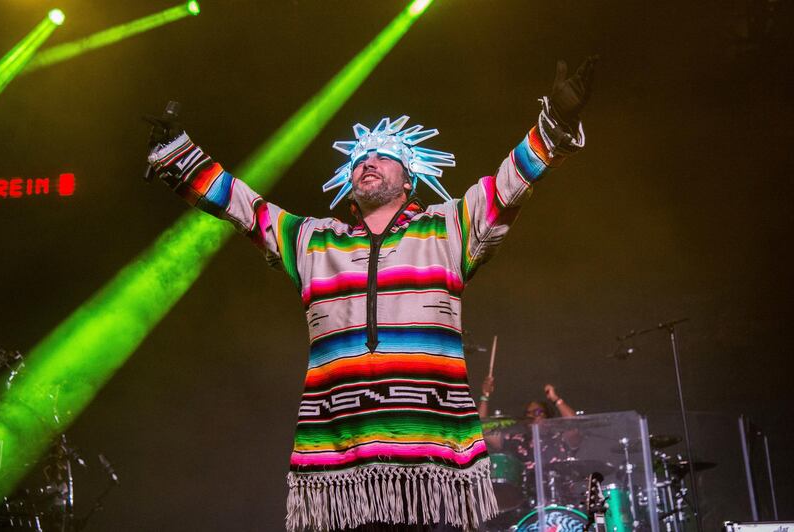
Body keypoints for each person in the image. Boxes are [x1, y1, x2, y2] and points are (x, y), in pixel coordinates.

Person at [145, 57, 597, 532]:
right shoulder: (314, 241)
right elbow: (246, 209)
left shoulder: (447, 229)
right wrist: (181, 156)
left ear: (409, 180)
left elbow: (508, 188)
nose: (368, 162)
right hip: (342, 463)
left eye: (383, 156)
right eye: (360, 159)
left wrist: (555, 127)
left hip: (429, 460)